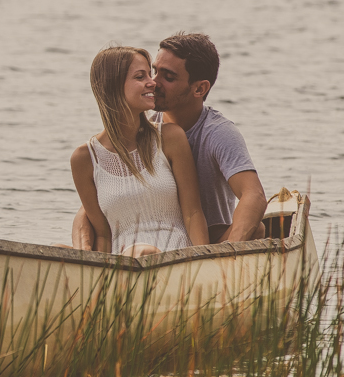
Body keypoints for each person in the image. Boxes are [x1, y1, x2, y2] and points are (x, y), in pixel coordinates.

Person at [73, 33, 266, 250]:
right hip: (135, 247)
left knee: (257, 229)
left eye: (169, 77)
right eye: (153, 72)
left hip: (203, 240)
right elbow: (101, 204)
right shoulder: (142, 127)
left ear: (199, 89)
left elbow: (254, 195)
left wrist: (216, 257)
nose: (153, 83)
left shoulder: (217, 133)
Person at [69, 46, 209, 257]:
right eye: (140, 76)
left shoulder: (170, 138)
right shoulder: (85, 159)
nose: (152, 82)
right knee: (52, 252)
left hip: (174, 259)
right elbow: (103, 234)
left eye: (149, 75)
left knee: (143, 251)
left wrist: (202, 261)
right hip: (123, 265)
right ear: (113, 86)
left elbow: (193, 213)